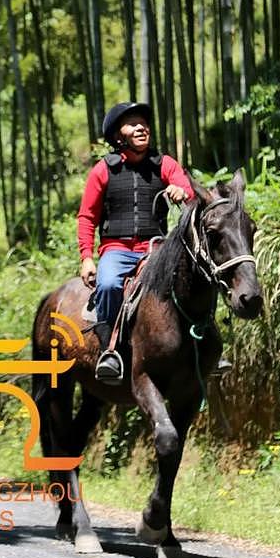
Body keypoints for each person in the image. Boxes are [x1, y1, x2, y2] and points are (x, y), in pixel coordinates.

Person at [77, 101, 194, 383]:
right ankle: (109, 352)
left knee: (193, 278)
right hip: (117, 250)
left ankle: (202, 346)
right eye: (132, 123)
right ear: (119, 136)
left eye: (144, 122)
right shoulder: (102, 171)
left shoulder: (165, 164)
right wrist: (87, 257)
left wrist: (181, 189)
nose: (141, 127)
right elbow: (86, 216)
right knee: (107, 285)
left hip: (157, 248)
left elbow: (189, 190)